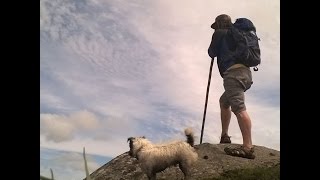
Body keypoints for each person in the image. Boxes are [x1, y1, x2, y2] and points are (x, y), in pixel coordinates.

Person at [208, 14, 255, 159]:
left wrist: (215, 37)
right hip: (245, 74)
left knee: (239, 109)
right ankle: (225, 135)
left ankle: (248, 148)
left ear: (220, 23)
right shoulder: (237, 34)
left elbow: (211, 52)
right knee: (224, 102)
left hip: (233, 74)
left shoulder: (220, 33)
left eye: (216, 24)